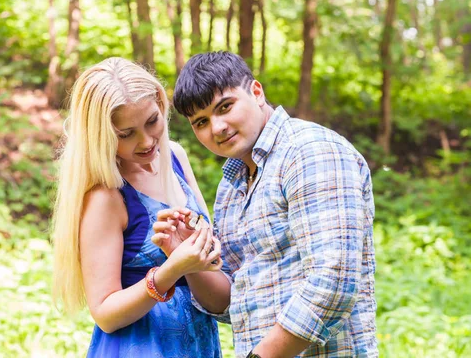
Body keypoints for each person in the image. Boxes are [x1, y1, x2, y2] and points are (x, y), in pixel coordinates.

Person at [156, 51, 378, 357]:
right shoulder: (231, 185)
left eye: (225, 107)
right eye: (201, 122)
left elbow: (333, 282)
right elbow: (230, 303)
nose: (217, 127)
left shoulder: (309, 151)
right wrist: (189, 260)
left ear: (256, 92)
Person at [50, 57, 225, 357]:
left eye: (152, 121)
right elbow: (104, 313)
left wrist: (189, 258)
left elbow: (218, 300)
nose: (146, 142)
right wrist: (170, 270)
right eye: (126, 134)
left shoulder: (176, 159)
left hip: (198, 345)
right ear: (101, 135)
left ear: (160, 104)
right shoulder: (107, 196)